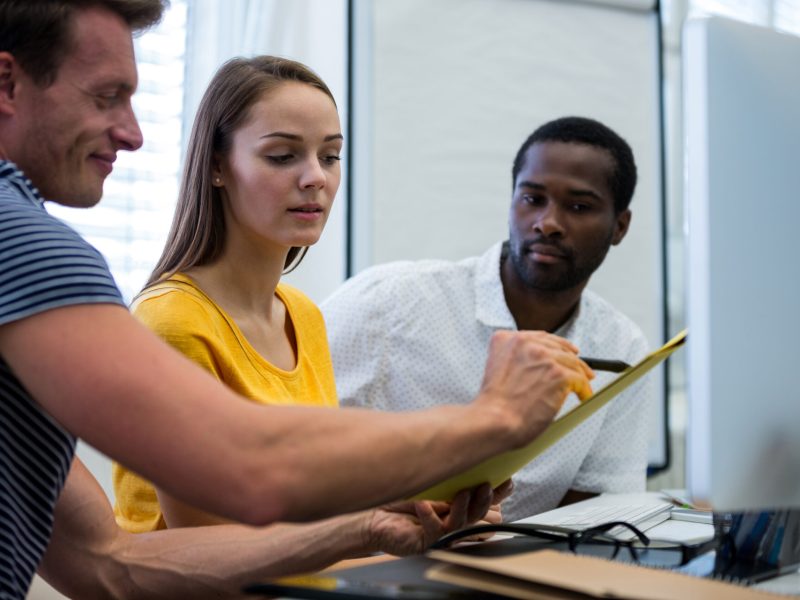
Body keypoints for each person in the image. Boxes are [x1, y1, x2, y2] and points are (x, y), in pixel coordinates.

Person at [0, 1, 592, 597]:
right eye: (106, 97)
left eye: (330, 156)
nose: (134, 133)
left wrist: (375, 525)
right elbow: (249, 468)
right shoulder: (36, 248)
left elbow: (107, 565)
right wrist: (492, 420)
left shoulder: (302, 313)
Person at [112, 54, 508, 548]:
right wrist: (374, 526)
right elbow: (210, 541)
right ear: (217, 167)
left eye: (330, 156)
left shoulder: (302, 315)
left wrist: (418, 507)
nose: (316, 178)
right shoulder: (171, 319)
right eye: (282, 156)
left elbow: (305, 500)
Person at [322, 116, 655, 522]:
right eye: (532, 199)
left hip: (519, 575)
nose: (547, 223)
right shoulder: (386, 304)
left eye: (579, 206)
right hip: (366, 565)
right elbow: (292, 457)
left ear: (619, 226)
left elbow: (596, 513)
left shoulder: (622, 349)